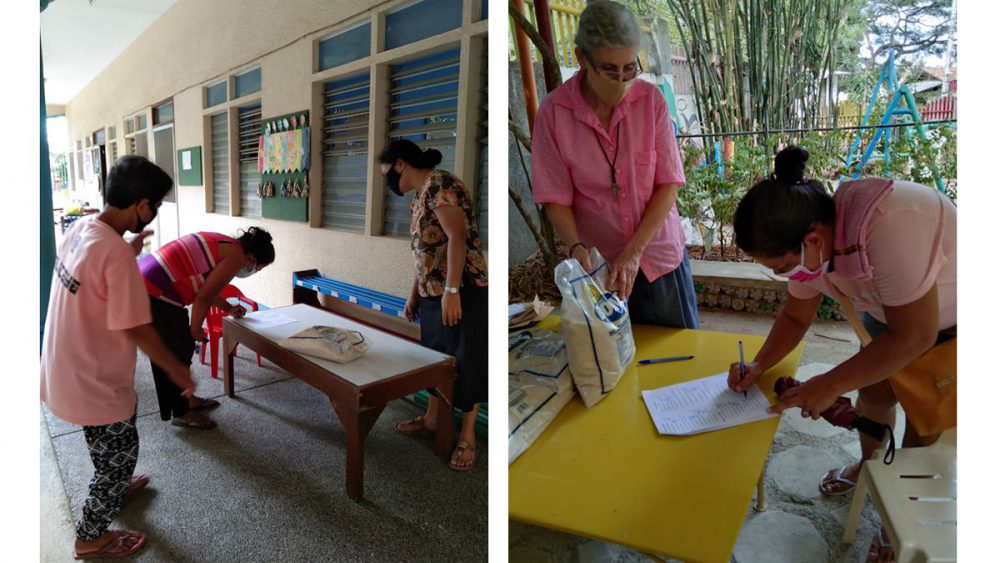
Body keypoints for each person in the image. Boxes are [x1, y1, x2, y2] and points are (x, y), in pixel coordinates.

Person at [728, 146, 956, 563]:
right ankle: (871, 471)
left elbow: (916, 335)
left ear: (812, 240)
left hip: (951, 327)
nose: (784, 277)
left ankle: (897, 526)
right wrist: (760, 364)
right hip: (891, 318)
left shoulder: (892, 225)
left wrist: (828, 384)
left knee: (921, 432)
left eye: (780, 268)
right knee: (873, 395)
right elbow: (796, 318)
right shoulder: (815, 247)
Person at [41, 155, 197, 560]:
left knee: (110, 440)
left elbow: (99, 270)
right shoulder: (114, 254)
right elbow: (138, 327)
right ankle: (90, 536)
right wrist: (177, 367)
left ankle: (114, 486)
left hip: (67, 368)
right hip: (93, 378)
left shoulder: (84, 228)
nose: (155, 212)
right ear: (141, 205)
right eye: (156, 205)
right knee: (117, 459)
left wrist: (126, 250)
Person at [530, 0, 698, 329]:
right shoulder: (553, 113)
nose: (621, 80)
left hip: (659, 259)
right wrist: (576, 246)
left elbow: (668, 185)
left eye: (630, 69)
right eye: (610, 70)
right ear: (582, 58)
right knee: (611, 365)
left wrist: (634, 252)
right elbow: (555, 195)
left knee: (679, 359)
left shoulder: (652, 103)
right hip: (599, 268)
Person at [379, 139, 488, 471]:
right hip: (433, 294)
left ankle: (467, 435)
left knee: (466, 361)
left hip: (462, 291)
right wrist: (415, 292)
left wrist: (452, 291)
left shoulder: (440, 183)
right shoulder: (421, 194)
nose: (386, 182)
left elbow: (457, 236)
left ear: (400, 164)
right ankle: (431, 419)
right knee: (435, 361)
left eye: (386, 172)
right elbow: (425, 252)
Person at [138, 226, 275, 429]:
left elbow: (206, 287)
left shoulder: (227, 244)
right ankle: (182, 411)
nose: (253, 271)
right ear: (252, 259)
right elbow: (203, 297)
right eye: (258, 268)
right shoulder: (236, 257)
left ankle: (187, 400)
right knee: (177, 349)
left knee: (177, 346)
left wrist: (228, 308)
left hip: (149, 276)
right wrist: (195, 329)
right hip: (154, 287)